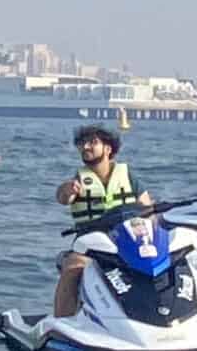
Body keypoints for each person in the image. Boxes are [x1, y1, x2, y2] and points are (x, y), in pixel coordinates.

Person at [52, 125, 153, 317]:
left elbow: (148, 208)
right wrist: (67, 190)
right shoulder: (79, 180)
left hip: (126, 240)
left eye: (93, 142)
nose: (86, 147)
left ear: (108, 149)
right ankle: (62, 322)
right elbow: (64, 198)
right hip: (90, 244)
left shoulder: (128, 176)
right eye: (82, 143)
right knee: (73, 266)